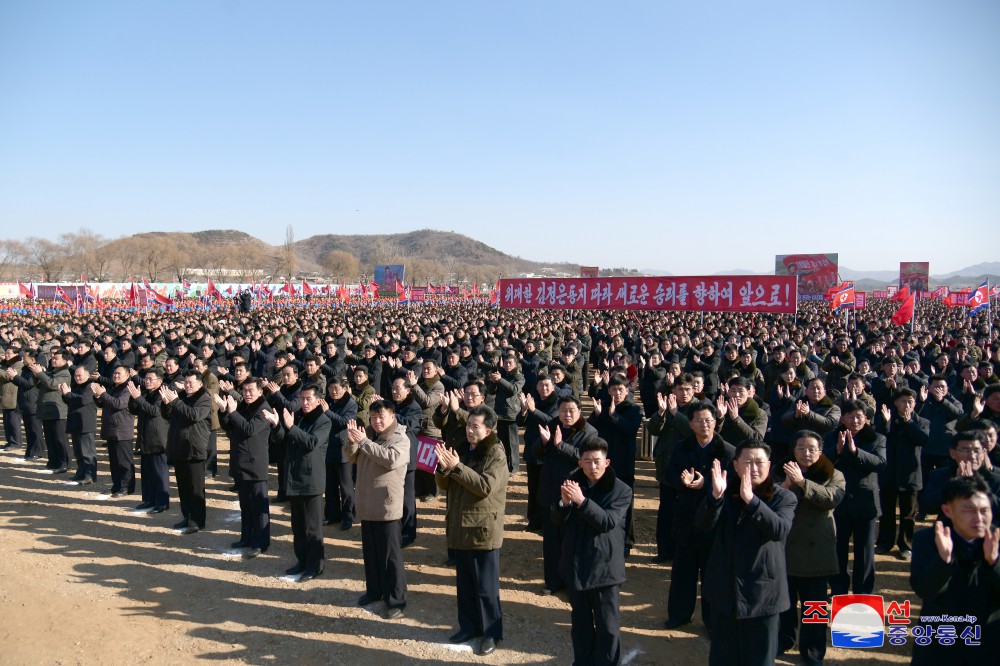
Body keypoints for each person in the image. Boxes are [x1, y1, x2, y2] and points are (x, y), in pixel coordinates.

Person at [697, 441, 797, 666]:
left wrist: (752, 501)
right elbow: (703, 526)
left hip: (763, 594)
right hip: (725, 590)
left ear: (769, 465)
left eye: (759, 462)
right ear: (735, 465)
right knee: (723, 658)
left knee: (759, 659)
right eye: (747, 462)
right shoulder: (723, 490)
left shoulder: (783, 497)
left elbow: (779, 530)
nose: (753, 468)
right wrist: (714, 498)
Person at [435, 405, 509, 656]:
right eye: (468, 425)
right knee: (465, 584)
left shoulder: (496, 453)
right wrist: (444, 467)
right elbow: (446, 484)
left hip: (482, 528)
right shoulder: (464, 449)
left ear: (489, 430)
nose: (470, 430)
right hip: (461, 524)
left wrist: (456, 467)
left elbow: (485, 486)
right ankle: (469, 627)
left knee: (486, 588)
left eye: (475, 426)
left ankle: (491, 632)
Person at [551, 437, 632, 666]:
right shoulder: (572, 482)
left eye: (597, 461)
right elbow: (556, 520)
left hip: (605, 568)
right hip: (576, 565)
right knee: (581, 625)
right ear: (580, 462)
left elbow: (607, 522)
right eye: (587, 461)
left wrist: (581, 501)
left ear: (607, 462)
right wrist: (564, 503)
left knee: (608, 627)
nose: (592, 466)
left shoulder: (621, 490)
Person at [910, 475, 1000, 664]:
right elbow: (925, 590)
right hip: (941, 642)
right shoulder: (928, 539)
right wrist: (944, 562)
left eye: (984, 510)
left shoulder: (996, 540)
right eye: (969, 510)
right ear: (947, 510)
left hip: (988, 643)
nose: (979, 518)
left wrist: (994, 563)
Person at [663, 400, 735, 630]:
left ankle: (712, 620)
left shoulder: (728, 451)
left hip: (714, 519)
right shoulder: (682, 447)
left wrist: (706, 485)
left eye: (708, 420)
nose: (704, 425)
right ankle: (680, 614)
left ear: (715, 423)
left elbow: (733, 485)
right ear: (690, 424)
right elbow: (669, 474)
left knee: (712, 574)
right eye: (699, 421)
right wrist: (682, 483)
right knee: (683, 570)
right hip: (685, 516)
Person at [775, 430, 845, 666]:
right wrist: (786, 484)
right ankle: (784, 640)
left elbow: (830, 499)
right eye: (801, 448)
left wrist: (803, 483)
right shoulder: (779, 471)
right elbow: (765, 500)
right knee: (784, 603)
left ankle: (813, 650)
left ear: (820, 451)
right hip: (785, 547)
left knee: (813, 606)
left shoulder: (834, 474)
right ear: (793, 451)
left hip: (817, 551)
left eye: (811, 448)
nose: (806, 453)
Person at [344, 399, 408, 618]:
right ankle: (375, 591)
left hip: (386, 507)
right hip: (367, 504)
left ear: (392, 416)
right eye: (373, 417)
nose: (377, 421)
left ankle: (396, 601)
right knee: (371, 554)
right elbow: (350, 457)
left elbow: (391, 460)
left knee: (390, 557)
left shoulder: (400, 438)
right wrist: (353, 441)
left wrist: (363, 442)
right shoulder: (368, 435)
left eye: (381, 417)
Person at [266, 384, 331, 581]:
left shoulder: (324, 421)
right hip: (294, 478)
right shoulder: (299, 417)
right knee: (298, 526)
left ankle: (315, 566)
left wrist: (291, 427)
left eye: (308, 399)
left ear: (318, 400)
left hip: (311, 480)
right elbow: (282, 440)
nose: (304, 402)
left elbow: (311, 442)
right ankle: (301, 560)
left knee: (312, 528)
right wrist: (277, 425)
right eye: (302, 398)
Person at [824, 399, 886, 595]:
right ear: (842, 418)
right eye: (849, 416)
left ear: (866, 418)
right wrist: (837, 451)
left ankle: (863, 592)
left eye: (859, 416)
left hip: (865, 503)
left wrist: (856, 452)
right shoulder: (832, 436)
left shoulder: (877, 438)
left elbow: (880, 463)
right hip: (839, 502)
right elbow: (822, 465)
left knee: (865, 552)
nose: (854, 420)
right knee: (838, 550)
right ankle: (838, 589)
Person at [216, 377, 272, 558]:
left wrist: (232, 413)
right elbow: (229, 427)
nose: (247, 394)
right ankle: (246, 537)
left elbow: (248, 429)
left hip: (255, 464)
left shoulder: (264, 409)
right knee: (245, 505)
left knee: (258, 506)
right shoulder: (244, 407)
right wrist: (224, 411)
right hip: (241, 462)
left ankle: (260, 542)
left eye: (251, 391)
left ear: (260, 391)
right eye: (244, 391)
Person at [588, 374, 642, 555]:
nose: (617, 393)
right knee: (603, 500)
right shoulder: (601, 407)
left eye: (621, 389)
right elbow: (590, 430)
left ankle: (626, 541)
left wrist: (613, 416)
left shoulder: (634, 409)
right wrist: (597, 415)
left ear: (627, 391)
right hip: (603, 464)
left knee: (626, 503)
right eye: (613, 389)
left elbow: (630, 429)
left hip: (624, 462)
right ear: (608, 390)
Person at [874, 388, 929, 559]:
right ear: (896, 402)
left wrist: (908, 423)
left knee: (908, 514)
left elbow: (922, 440)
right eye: (903, 401)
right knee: (887, 511)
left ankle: (906, 545)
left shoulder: (922, 422)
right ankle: (885, 542)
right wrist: (887, 422)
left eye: (910, 402)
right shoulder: (886, 419)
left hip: (910, 474)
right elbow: (880, 438)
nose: (907, 405)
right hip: (889, 472)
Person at [161, 370, 212, 535]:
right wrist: (166, 403)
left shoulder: (204, 398)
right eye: (186, 382)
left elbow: (194, 415)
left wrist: (175, 401)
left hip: (194, 448)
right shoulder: (182, 397)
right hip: (179, 447)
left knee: (195, 488)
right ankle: (187, 516)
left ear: (200, 384)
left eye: (191, 382)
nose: (187, 385)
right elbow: (169, 416)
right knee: (183, 487)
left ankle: (197, 521)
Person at [127, 367, 170, 513]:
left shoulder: (162, 394)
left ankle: (162, 503)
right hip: (145, 438)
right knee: (147, 474)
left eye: (151, 379)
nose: (148, 381)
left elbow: (154, 411)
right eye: (146, 379)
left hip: (158, 439)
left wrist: (138, 398)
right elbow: (134, 410)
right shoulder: (145, 393)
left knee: (160, 473)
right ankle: (148, 499)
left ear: (160, 381)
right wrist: (133, 398)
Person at [92, 365, 137, 497]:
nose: (116, 376)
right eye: (115, 373)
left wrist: (103, 394)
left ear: (127, 375)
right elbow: (103, 403)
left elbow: (119, 404)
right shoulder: (113, 387)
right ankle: (117, 485)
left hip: (122, 430)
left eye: (119, 374)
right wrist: (97, 396)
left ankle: (126, 487)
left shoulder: (128, 389)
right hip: (111, 429)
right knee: (114, 461)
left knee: (124, 461)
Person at [322, 376, 358, 530]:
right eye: (330, 389)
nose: (333, 392)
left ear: (345, 388)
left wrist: (327, 412)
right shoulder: (329, 403)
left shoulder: (351, 404)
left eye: (336, 389)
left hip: (343, 449)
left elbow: (345, 423)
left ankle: (348, 516)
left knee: (346, 487)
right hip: (328, 448)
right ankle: (332, 514)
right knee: (330, 486)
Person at [29, 348, 72, 473]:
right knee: (50, 438)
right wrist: (37, 375)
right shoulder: (51, 371)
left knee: (60, 439)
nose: (53, 360)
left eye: (56, 358)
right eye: (52, 358)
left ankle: (64, 463)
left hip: (58, 410)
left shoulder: (65, 373)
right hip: (47, 409)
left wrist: (41, 374)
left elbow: (52, 384)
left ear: (65, 361)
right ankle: (53, 462)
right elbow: (39, 385)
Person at [59, 366, 98, 485]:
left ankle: (90, 475)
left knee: (87, 452)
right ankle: (81, 472)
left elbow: (84, 400)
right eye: (75, 375)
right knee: (78, 451)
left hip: (85, 423)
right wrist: (64, 394)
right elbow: (69, 400)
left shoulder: (91, 385)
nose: (77, 377)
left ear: (87, 375)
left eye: (79, 375)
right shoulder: (75, 385)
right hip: (75, 422)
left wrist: (69, 394)